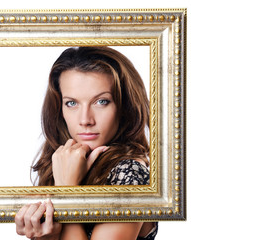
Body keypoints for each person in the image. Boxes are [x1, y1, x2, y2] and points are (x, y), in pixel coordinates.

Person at [15, 47, 158, 240]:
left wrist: (66, 192)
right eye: (72, 103)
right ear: (59, 109)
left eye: (101, 101)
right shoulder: (62, 163)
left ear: (125, 107)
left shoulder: (129, 172)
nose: (85, 120)